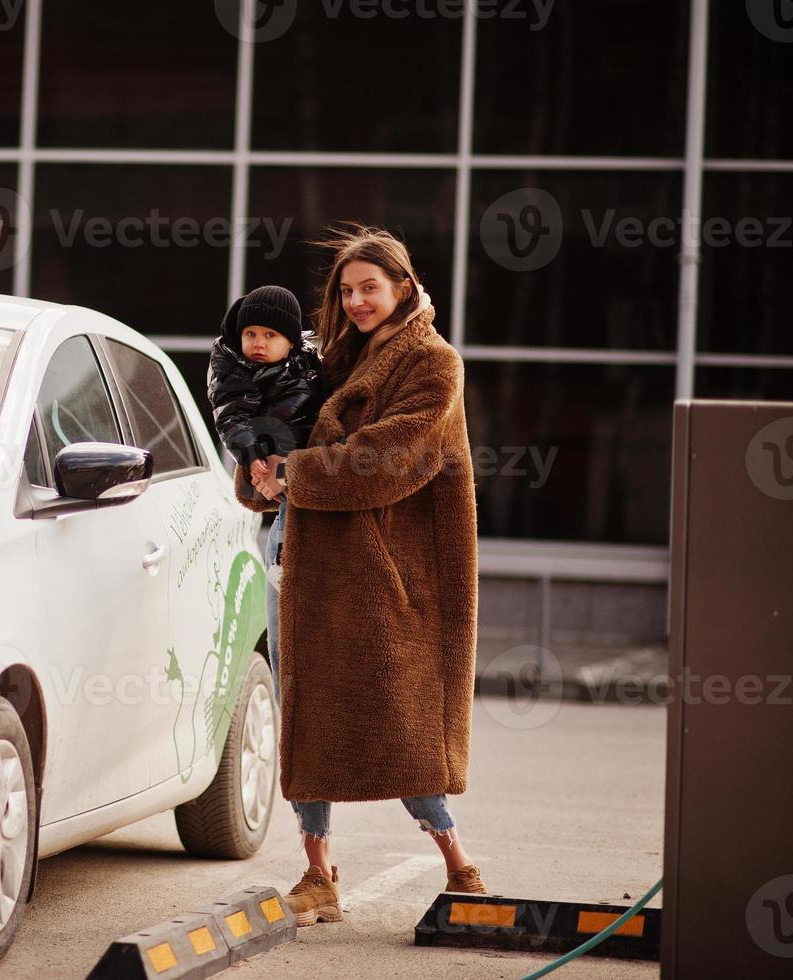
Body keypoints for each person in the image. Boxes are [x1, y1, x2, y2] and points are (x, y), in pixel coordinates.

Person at [235, 226, 488, 927]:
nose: (355, 302)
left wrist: (296, 470)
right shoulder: (331, 359)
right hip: (299, 555)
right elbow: (278, 425)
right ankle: (317, 874)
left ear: (403, 287)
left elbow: (393, 456)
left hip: (381, 573)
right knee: (304, 713)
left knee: (401, 723)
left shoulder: (434, 363)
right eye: (345, 291)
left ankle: (459, 867)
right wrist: (257, 468)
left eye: (368, 288)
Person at [204, 284, 326, 597]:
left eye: (270, 335)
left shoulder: (310, 366)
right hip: (273, 465)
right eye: (251, 334)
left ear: (291, 341)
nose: (258, 343)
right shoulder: (236, 371)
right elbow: (231, 417)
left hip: (308, 468)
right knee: (287, 581)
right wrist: (251, 454)